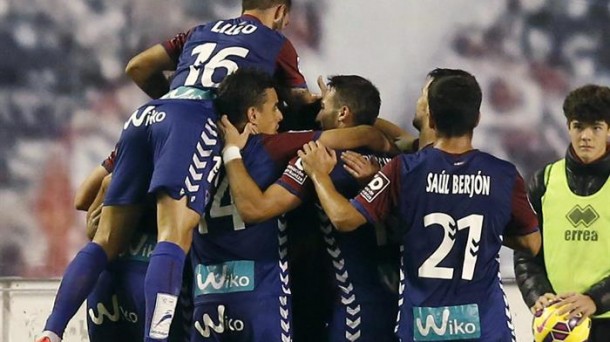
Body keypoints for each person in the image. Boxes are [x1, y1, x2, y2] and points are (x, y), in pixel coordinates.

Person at [36, 1, 317, 341]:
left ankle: (52, 330)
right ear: (280, 11)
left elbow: (138, 66)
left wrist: (172, 98)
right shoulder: (275, 42)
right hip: (190, 122)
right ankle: (155, 338)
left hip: (148, 114)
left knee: (106, 239)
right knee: (174, 235)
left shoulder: (200, 31)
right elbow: (302, 104)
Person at [297, 70, 542, 341]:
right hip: (485, 328)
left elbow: (344, 218)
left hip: (424, 328)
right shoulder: (503, 175)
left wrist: (319, 176)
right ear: (477, 119)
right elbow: (532, 244)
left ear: (432, 119)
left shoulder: (404, 171)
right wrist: (485, 224)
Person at [189, 69, 394, 341]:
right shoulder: (401, 164)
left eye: (322, 107)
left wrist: (231, 150)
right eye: (275, 108)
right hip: (396, 305)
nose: (316, 116)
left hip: (209, 297)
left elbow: (256, 209)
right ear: (253, 114)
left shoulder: (191, 150)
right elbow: (380, 138)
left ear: (343, 113)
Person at [514, 84, 610, 341]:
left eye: (596, 127)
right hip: (556, 325)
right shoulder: (543, 181)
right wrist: (538, 295)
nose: (586, 136)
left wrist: (595, 299)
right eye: (578, 126)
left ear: (609, 130)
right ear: (568, 127)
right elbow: (526, 250)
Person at [74, 152, 191, 342]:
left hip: (110, 270)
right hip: (155, 271)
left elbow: (81, 200)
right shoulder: (186, 145)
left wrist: (113, 166)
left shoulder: (133, 142)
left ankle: (52, 331)